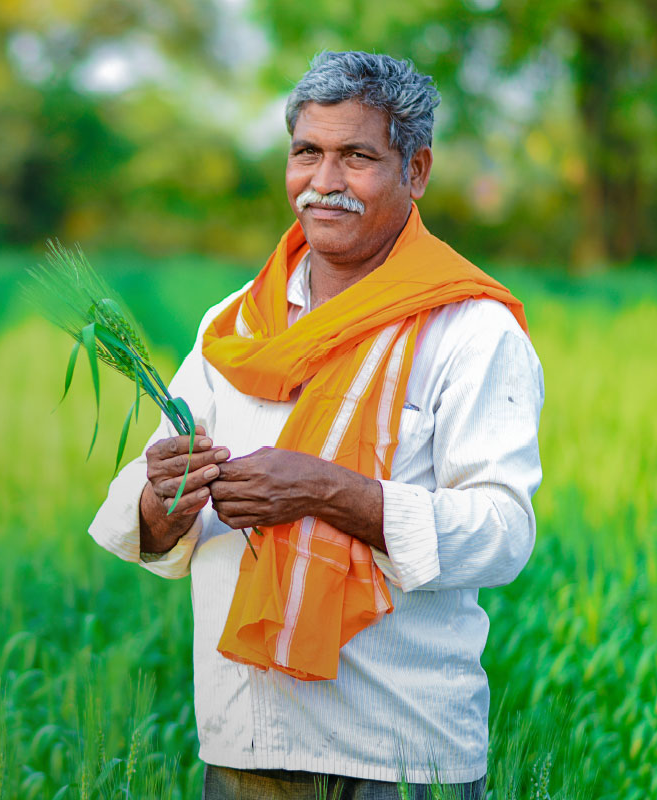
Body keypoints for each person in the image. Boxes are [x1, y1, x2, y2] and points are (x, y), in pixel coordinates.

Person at [88, 51, 543, 800]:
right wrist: (158, 496)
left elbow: (501, 530)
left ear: (416, 170)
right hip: (247, 740)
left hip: (403, 748)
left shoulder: (470, 329)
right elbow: (146, 503)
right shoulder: (232, 324)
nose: (324, 182)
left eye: (358, 156)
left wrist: (329, 492)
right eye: (308, 153)